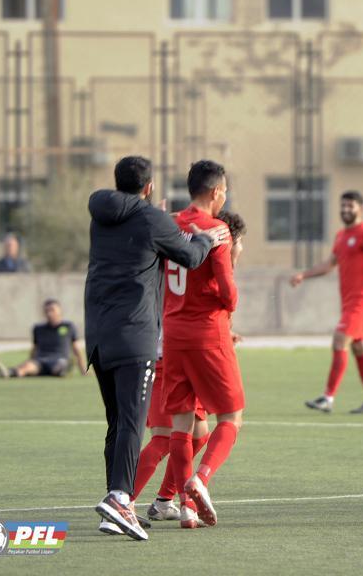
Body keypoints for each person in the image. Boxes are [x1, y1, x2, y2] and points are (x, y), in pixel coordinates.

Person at [86, 155, 227, 541]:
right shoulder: (152, 219)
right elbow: (191, 256)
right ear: (149, 187)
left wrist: (157, 220)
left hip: (98, 332)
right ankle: (120, 498)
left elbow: (142, 243)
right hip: (134, 334)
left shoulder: (101, 215)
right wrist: (206, 239)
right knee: (134, 422)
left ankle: (116, 505)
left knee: (117, 422)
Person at [125, 209, 246, 530]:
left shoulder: (186, 257)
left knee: (198, 434)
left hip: (177, 350)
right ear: (230, 240)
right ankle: (125, 500)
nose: (241, 249)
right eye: (240, 243)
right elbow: (218, 300)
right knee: (165, 437)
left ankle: (168, 501)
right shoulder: (207, 262)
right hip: (170, 355)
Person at [163, 160, 245, 530]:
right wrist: (230, 305)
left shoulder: (169, 224)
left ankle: (186, 508)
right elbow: (227, 291)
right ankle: (201, 478)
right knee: (231, 416)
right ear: (215, 192)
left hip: (173, 331)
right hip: (207, 330)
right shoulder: (217, 229)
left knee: (181, 423)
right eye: (224, 191)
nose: (224, 196)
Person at [291, 190, 363, 414]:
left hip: (360, 301)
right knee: (359, 348)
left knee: (339, 340)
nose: (345, 210)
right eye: (343, 206)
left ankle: (327, 398)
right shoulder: (341, 236)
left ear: (361, 209)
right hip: (348, 302)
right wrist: (304, 275)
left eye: (350, 206)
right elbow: (329, 265)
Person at [0, 299, 85, 379]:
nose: (49, 313)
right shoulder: (38, 328)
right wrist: (30, 361)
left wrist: (83, 369)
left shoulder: (68, 326)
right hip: (41, 360)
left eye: (52, 310)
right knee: (27, 367)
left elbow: (76, 348)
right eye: (47, 311)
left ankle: (65, 370)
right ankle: (8, 372)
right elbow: (35, 348)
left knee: (59, 367)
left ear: (60, 311)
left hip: (59, 359)